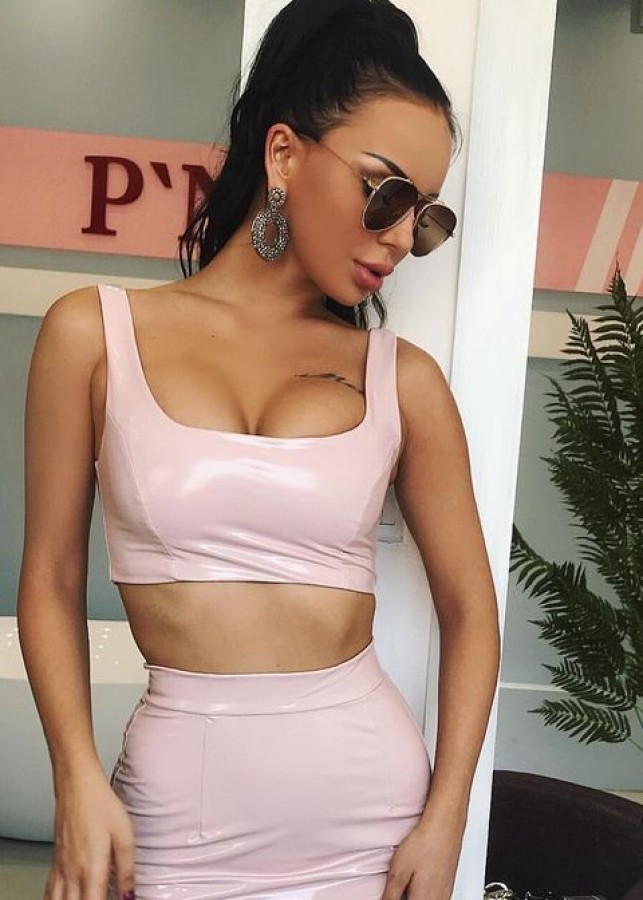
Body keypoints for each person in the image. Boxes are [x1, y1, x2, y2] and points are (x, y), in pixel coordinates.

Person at [17, 1, 501, 898]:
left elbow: (470, 609)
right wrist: (75, 777)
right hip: (175, 824)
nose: (402, 238)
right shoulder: (91, 335)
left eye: (426, 217)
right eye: (386, 193)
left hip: (372, 824)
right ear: (284, 155)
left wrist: (446, 820)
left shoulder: (403, 381)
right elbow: (49, 578)